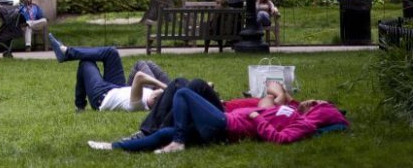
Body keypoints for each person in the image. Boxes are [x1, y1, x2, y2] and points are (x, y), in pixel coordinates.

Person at [88, 82, 348, 153]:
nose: (313, 101)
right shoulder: (290, 107)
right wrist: (281, 98)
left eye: (318, 104)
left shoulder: (300, 122)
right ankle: (114, 146)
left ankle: (178, 141)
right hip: (224, 117)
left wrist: (257, 116)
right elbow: (272, 87)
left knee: (185, 93)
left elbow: (281, 139)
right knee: (163, 134)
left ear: (321, 113)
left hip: (226, 124)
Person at [49, 33, 165, 112]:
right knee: (111, 52)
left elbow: (140, 77)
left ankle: (80, 106)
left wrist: (164, 87)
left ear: (153, 101)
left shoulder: (139, 105)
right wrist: (172, 88)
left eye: (156, 94)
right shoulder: (153, 95)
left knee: (86, 62)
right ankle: (66, 52)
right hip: (119, 87)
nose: (157, 92)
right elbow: (144, 65)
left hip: (103, 96)